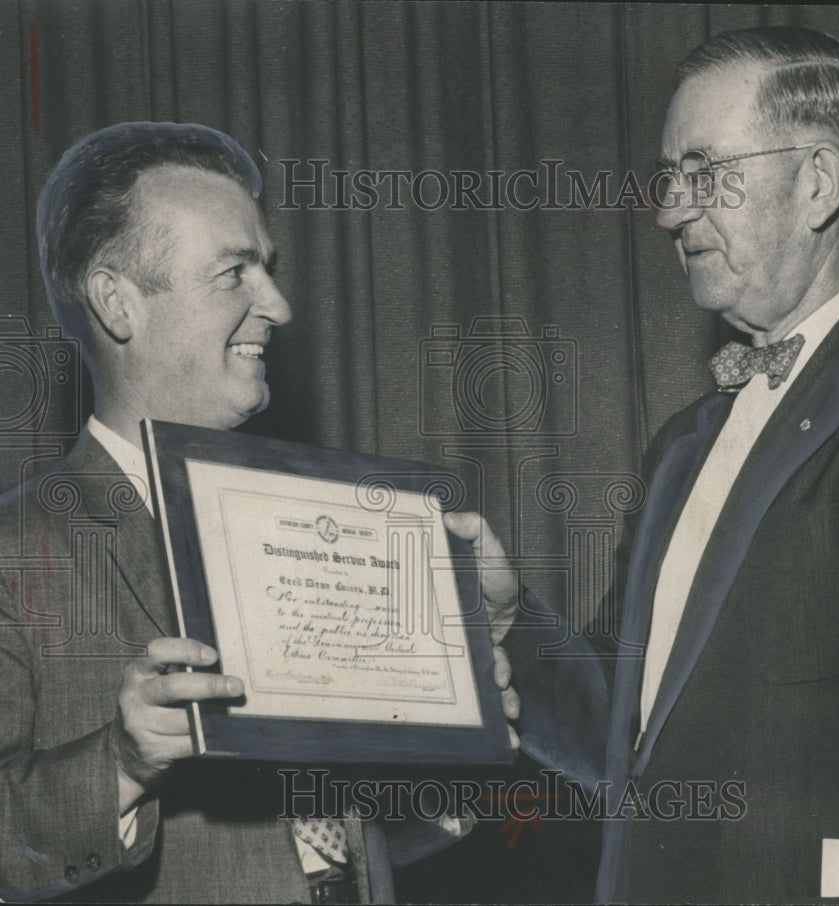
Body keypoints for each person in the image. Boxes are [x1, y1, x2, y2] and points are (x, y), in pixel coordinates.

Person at [446, 25, 839, 904]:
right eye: (670, 179)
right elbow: (613, 742)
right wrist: (510, 625)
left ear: (817, 183)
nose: (668, 210)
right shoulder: (686, 444)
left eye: (704, 174)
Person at [0, 122, 493, 904]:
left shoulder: (319, 528)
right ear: (116, 301)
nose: (280, 305)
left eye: (270, 268)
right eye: (235, 272)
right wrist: (123, 764)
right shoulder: (15, 550)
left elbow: (327, 839)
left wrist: (461, 726)